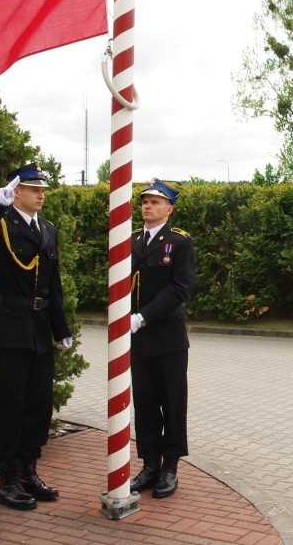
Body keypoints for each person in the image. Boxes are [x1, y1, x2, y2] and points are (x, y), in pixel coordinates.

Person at [0, 163, 73, 511]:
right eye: (33, 188)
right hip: (9, 325)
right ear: (16, 191)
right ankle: (8, 480)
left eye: (43, 189)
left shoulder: (48, 231)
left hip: (39, 326)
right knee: (12, 405)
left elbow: (52, 285)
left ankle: (28, 470)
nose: (41, 194)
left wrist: (61, 328)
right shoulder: (1, 225)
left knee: (39, 405)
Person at [128, 179, 197, 499]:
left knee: (171, 401)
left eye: (155, 202)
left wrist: (144, 316)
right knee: (144, 403)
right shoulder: (129, 241)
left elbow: (179, 289)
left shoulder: (180, 243)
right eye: (144, 201)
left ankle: (170, 467)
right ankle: (149, 464)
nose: (147, 205)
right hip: (138, 339)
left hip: (167, 336)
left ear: (169, 209)